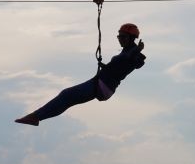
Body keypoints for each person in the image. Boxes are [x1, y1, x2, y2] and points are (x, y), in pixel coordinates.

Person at [15, 23, 146, 125]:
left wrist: (135, 51)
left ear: (131, 38)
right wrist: (105, 66)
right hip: (102, 84)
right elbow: (119, 67)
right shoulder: (127, 53)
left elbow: (133, 63)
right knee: (67, 100)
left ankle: (35, 116)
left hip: (102, 86)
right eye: (119, 36)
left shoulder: (135, 54)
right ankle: (36, 118)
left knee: (66, 94)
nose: (120, 39)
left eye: (123, 36)